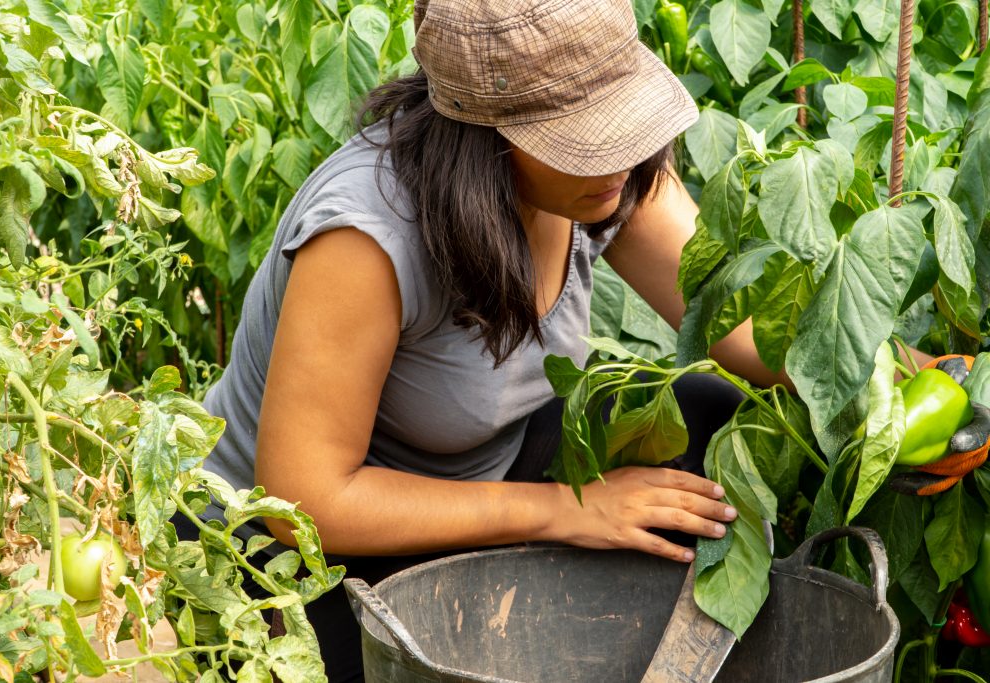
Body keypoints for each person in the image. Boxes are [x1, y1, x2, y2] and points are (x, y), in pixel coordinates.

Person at [188, 0, 787, 680]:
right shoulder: (366, 235)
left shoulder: (606, 177)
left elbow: (745, 324)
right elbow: (304, 505)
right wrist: (565, 510)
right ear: (491, 135)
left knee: (702, 420)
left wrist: (908, 377)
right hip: (293, 548)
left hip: (484, 466)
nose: (621, 154)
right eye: (585, 136)